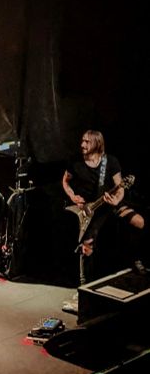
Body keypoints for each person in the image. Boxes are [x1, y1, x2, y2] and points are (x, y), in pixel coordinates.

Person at [61, 130, 122, 313]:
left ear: (96, 143)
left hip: (104, 208)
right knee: (85, 246)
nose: (82, 145)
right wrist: (73, 196)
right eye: (82, 141)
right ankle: (82, 291)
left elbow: (120, 187)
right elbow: (65, 181)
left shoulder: (109, 162)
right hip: (83, 210)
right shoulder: (76, 162)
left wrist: (116, 200)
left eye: (87, 142)